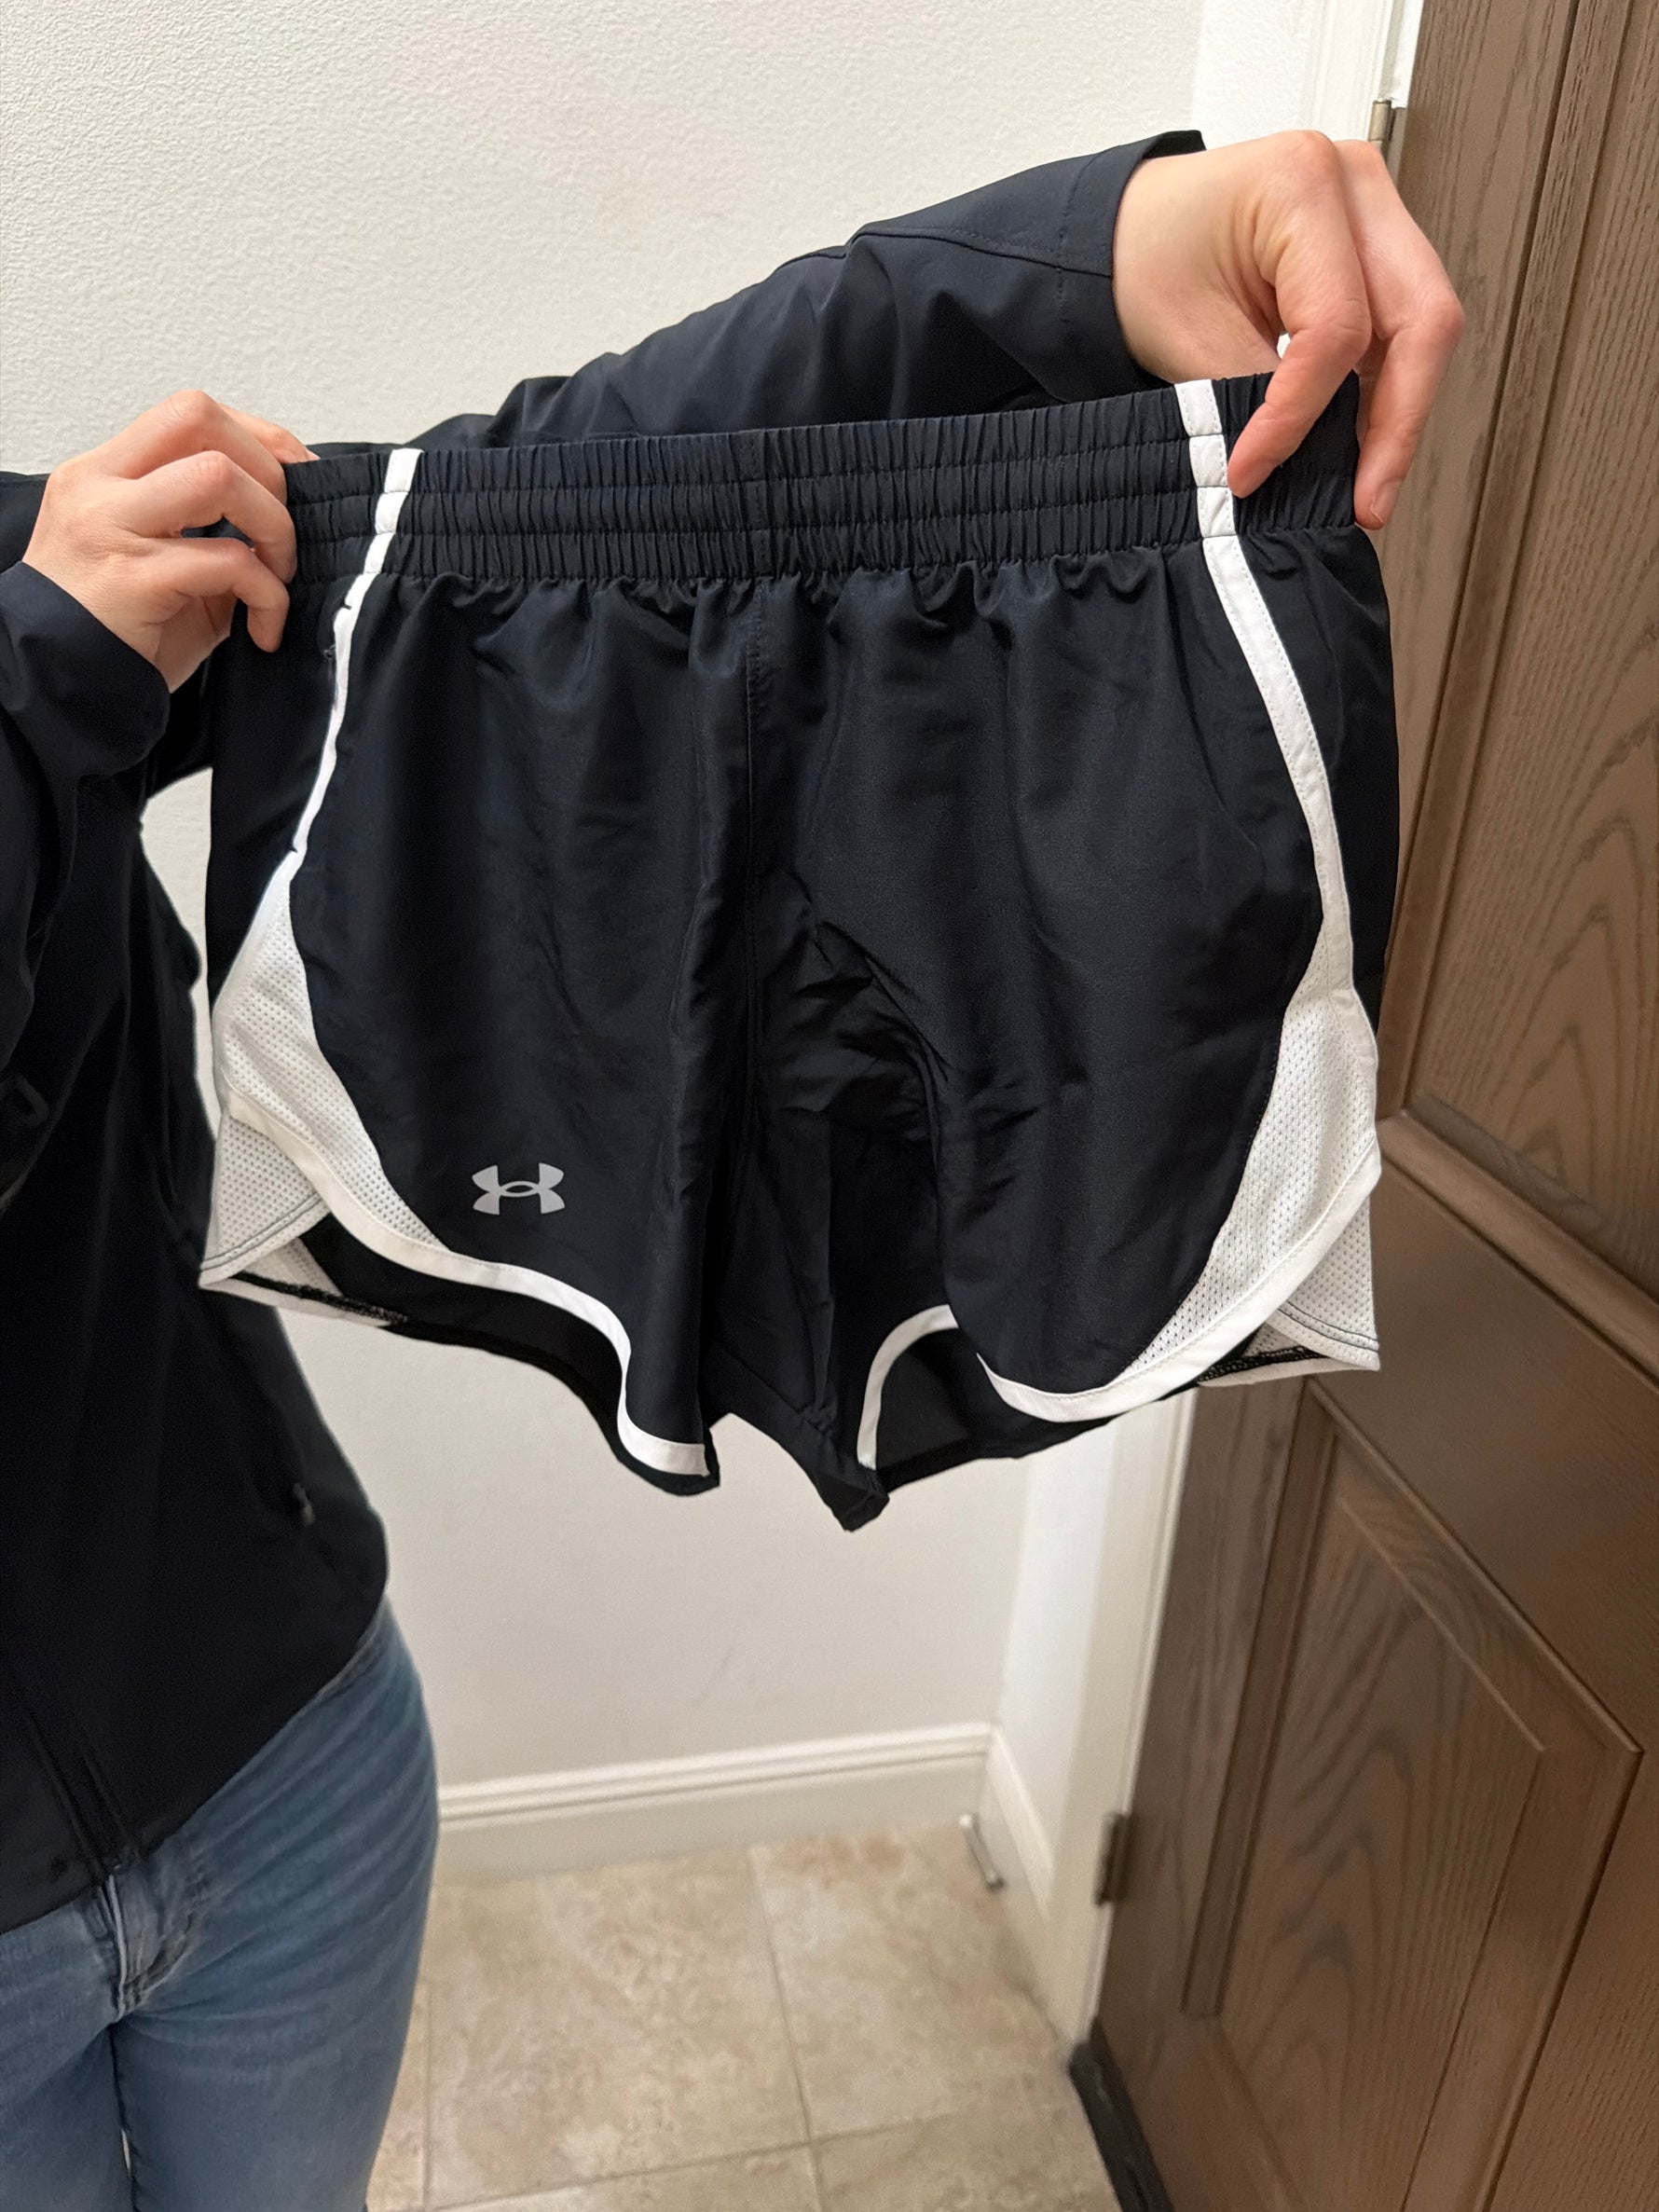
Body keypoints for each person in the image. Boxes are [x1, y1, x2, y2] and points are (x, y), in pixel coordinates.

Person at [0, 129, 1460, 2210]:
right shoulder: (24, 648)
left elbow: (521, 514)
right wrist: (36, 685)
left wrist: (1084, 261)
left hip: (289, 1741)